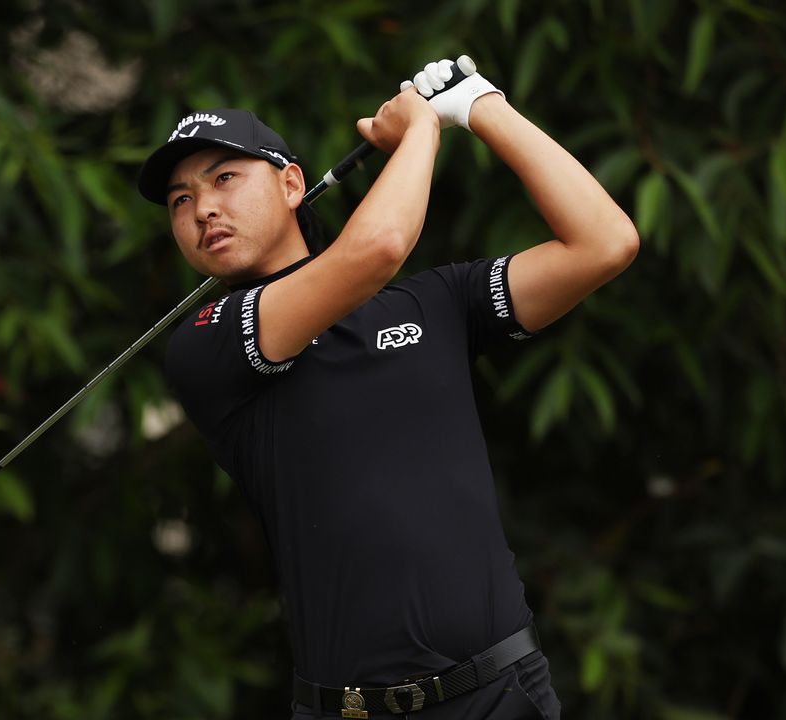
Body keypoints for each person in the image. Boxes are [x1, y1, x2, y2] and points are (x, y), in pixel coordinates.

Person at [136, 58, 638, 719]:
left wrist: (483, 107)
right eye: (181, 200)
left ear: (292, 184)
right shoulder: (210, 341)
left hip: (501, 696)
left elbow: (605, 243)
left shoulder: (436, 303)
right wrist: (422, 128)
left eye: (224, 179)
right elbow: (377, 248)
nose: (203, 209)